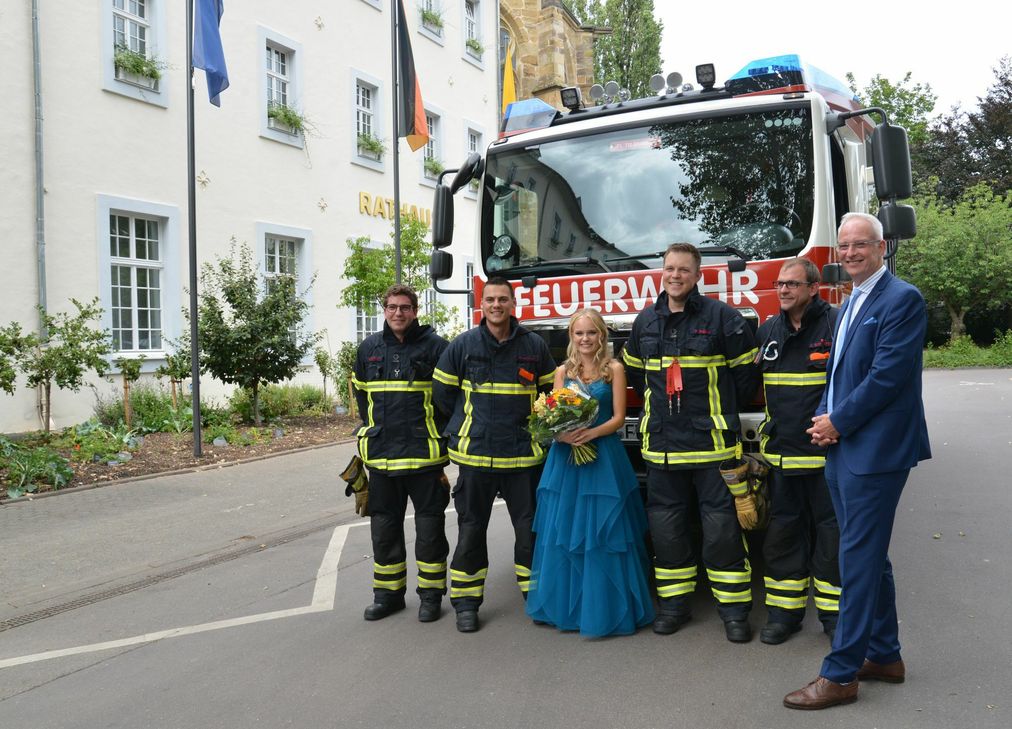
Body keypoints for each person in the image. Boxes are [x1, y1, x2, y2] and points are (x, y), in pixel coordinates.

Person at [784, 212, 931, 710]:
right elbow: (842, 372)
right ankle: (885, 656)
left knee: (857, 560)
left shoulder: (901, 299)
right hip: (846, 448)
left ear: (881, 247)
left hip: (876, 451)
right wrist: (826, 412)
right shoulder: (850, 302)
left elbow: (888, 377)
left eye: (859, 245)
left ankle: (841, 673)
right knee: (868, 554)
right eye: (843, 246)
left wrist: (838, 422)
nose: (849, 253)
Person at [623, 243, 759, 643]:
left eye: (684, 270)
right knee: (667, 531)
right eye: (669, 269)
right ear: (661, 273)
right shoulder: (645, 321)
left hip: (713, 449)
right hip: (662, 449)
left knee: (722, 533)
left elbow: (746, 380)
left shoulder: (724, 319)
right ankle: (674, 607)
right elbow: (635, 375)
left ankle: (734, 612)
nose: (675, 275)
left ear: (698, 275)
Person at [432, 277, 556, 633]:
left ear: (513, 304)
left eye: (503, 299)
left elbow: (550, 393)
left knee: (529, 534)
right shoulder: (463, 345)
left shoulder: (534, 345)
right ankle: (467, 604)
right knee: (470, 533)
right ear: (481, 304)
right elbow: (442, 395)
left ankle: (536, 599)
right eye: (490, 299)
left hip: (523, 460)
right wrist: (463, 425)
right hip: (476, 458)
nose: (496, 305)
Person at [525, 309, 655, 637]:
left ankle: (606, 607)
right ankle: (566, 605)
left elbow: (618, 417)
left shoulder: (614, 369)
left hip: (603, 457)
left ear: (602, 336)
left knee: (604, 533)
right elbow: (551, 416)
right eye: (579, 334)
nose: (585, 339)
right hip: (565, 459)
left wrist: (592, 433)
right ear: (571, 337)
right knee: (565, 532)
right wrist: (562, 434)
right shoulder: (562, 371)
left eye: (591, 333)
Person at [352, 284, 450, 623]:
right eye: (392, 307)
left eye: (405, 307)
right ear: (385, 310)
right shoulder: (368, 349)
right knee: (384, 531)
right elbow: (363, 399)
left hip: (425, 459)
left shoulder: (437, 348)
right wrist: (373, 432)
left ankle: (431, 596)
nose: (398, 313)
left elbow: (451, 400)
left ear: (416, 310)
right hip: (381, 460)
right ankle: (388, 596)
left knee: (430, 533)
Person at [755, 258, 841, 645]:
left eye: (792, 284)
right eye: (780, 284)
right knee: (783, 537)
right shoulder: (769, 330)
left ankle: (835, 616)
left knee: (832, 538)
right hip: (783, 458)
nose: (784, 290)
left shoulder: (836, 325)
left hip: (828, 457)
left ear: (813, 287)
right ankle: (784, 615)